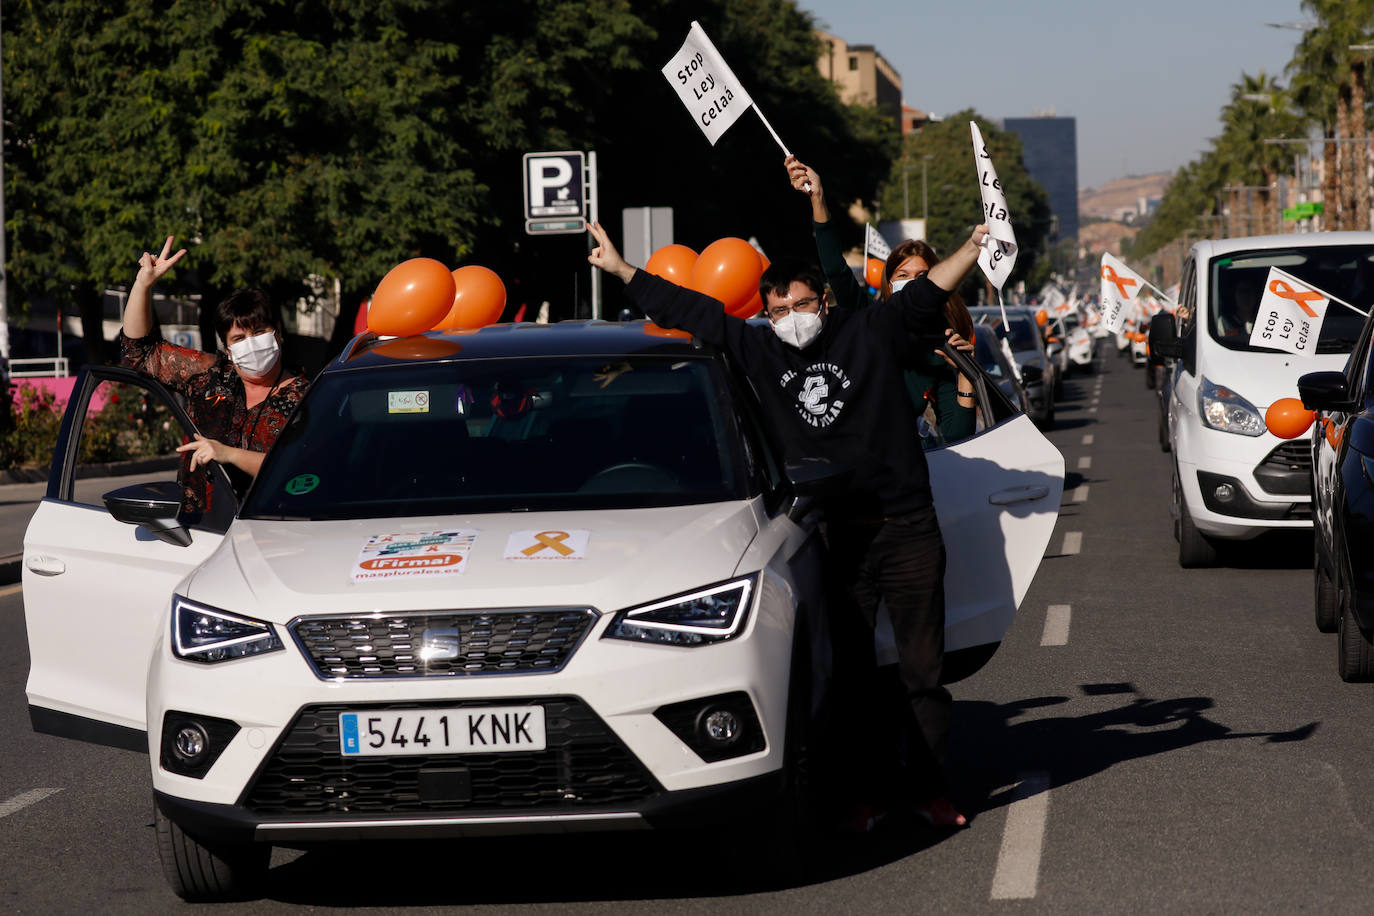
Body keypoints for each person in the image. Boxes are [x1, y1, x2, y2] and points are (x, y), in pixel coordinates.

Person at [587, 219, 989, 828]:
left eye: (803, 304)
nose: (793, 316)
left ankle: (933, 793)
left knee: (922, 675)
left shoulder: (868, 332)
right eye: (780, 309)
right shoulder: (760, 348)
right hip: (837, 535)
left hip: (908, 529)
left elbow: (926, 292)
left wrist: (972, 247)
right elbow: (695, 311)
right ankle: (866, 797)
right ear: (767, 313)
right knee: (851, 679)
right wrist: (623, 272)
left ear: (824, 301)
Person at [786, 155, 977, 445]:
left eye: (923, 277)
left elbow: (958, 438)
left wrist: (965, 373)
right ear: (889, 283)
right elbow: (837, 271)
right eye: (903, 274)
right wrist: (818, 199)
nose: (913, 283)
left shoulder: (939, 351)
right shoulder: (869, 319)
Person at [118, 236, 308, 515]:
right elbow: (141, 351)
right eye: (239, 337)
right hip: (197, 532)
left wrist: (229, 454)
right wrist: (143, 285)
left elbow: (303, 471)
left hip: (270, 535)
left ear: (277, 332)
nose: (251, 343)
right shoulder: (210, 375)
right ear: (227, 348)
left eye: (258, 332)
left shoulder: (306, 397)